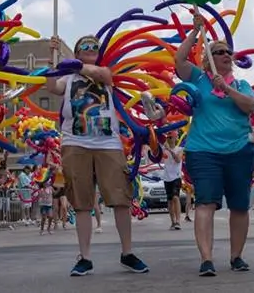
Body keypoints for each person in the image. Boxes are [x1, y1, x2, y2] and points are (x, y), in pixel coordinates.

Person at [47, 35, 148, 276]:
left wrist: (76, 64)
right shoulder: (68, 79)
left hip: (108, 143)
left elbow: (104, 76)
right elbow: (52, 88)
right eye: (85, 47)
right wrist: (53, 61)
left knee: (121, 198)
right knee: (82, 202)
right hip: (75, 142)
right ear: (78, 51)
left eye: (94, 47)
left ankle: (127, 252)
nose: (91, 49)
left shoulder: (104, 72)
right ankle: (85, 257)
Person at [175, 13, 254, 277]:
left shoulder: (243, 84)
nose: (224, 55)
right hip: (203, 151)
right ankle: (207, 259)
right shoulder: (198, 78)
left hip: (239, 151)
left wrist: (228, 89)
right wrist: (196, 31)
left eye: (227, 52)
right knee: (205, 203)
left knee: (240, 206)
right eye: (218, 51)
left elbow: (249, 106)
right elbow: (179, 60)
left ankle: (237, 257)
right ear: (208, 58)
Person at [161, 132, 184, 230]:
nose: (169, 139)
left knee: (175, 197)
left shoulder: (180, 149)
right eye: (168, 137)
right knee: (170, 200)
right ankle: (173, 221)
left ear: (175, 138)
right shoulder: (163, 150)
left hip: (176, 177)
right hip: (167, 177)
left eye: (171, 137)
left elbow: (178, 160)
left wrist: (169, 150)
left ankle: (178, 221)